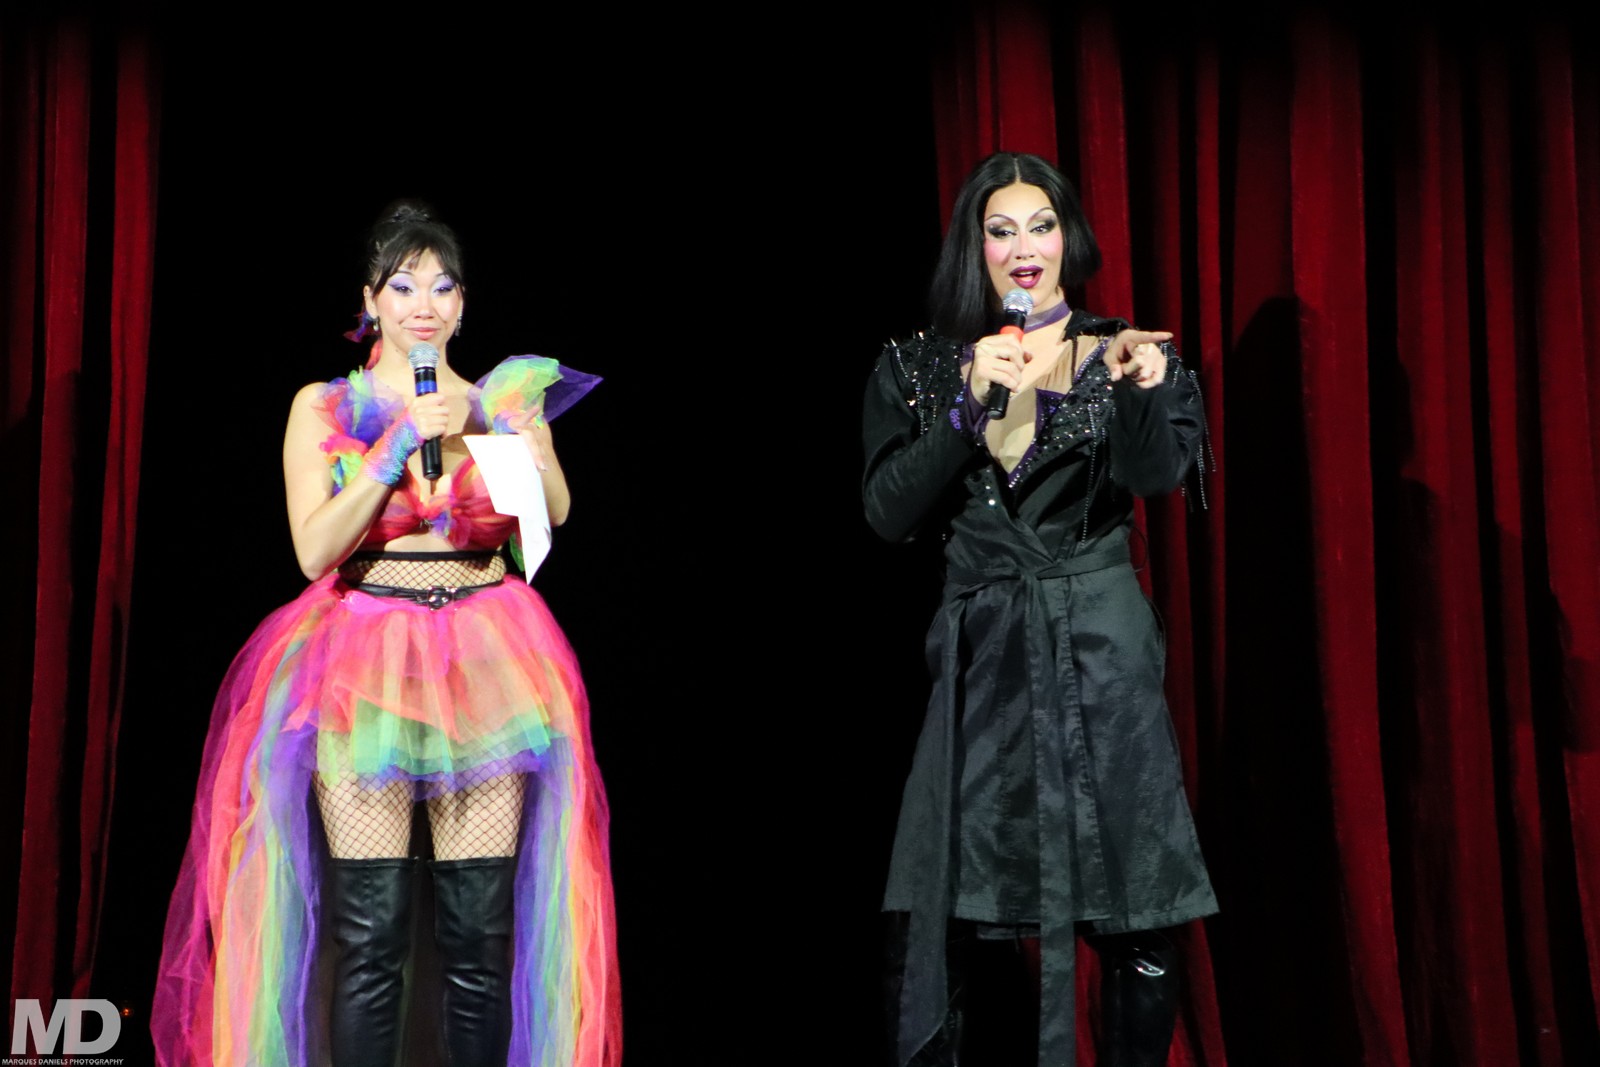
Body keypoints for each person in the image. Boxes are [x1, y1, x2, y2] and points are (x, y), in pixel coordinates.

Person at [154, 203, 620, 1067]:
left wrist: (533, 446)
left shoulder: (498, 400)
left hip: (487, 659)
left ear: (463, 303)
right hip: (363, 662)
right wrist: (398, 441)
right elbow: (314, 550)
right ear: (370, 300)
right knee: (371, 937)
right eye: (403, 286)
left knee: (478, 939)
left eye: (442, 287)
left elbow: (551, 517)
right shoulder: (324, 405)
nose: (423, 305)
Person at [864, 153, 1217, 1067]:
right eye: (1001, 229)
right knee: (930, 915)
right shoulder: (921, 364)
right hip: (982, 662)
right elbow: (889, 512)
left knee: (1137, 908)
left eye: (1042, 225)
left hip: (1101, 651)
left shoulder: (1125, 353)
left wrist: (1142, 394)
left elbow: (1155, 475)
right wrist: (965, 406)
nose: (1025, 247)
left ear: (1069, 239)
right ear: (974, 248)